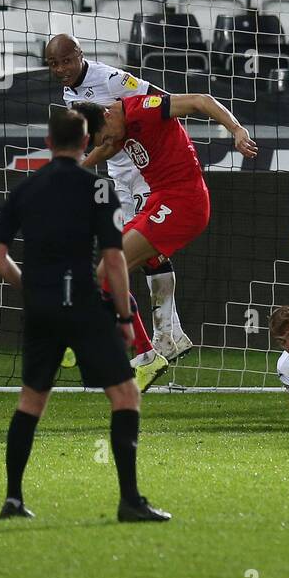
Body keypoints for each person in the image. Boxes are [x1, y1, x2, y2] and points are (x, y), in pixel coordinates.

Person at [0, 107, 169, 522]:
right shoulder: (99, 188)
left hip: (42, 306)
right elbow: (114, 259)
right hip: (84, 304)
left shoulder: (25, 189)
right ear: (86, 142)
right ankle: (129, 501)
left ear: (48, 143)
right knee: (124, 396)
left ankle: (13, 499)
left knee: (31, 401)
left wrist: (27, 287)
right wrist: (123, 318)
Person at [74, 91, 258, 390]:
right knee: (108, 275)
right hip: (161, 201)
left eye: (104, 136)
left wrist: (236, 129)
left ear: (107, 115)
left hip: (184, 201)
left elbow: (201, 100)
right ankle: (157, 347)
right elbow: (108, 148)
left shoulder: (145, 108)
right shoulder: (115, 128)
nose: (107, 143)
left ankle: (143, 352)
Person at [46, 33, 191, 361]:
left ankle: (167, 334)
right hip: (119, 176)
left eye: (66, 61)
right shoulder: (70, 92)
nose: (61, 68)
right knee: (134, 252)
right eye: (54, 64)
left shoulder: (112, 79)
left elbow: (161, 102)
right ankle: (170, 335)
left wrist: (164, 151)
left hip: (145, 174)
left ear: (80, 55)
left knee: (145, 250)